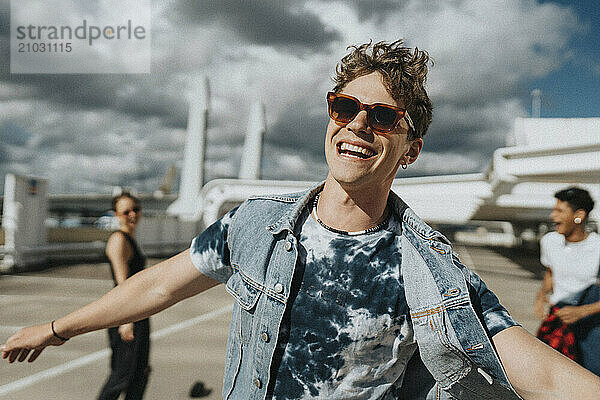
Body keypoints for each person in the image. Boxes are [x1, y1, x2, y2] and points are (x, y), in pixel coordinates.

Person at [3, 40, 600, 399]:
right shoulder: (255, 227)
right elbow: (160, 282)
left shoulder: (430, 271)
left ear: (411, 148)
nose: (359, 125)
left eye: (384, 117)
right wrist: (57, 329)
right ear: (329, 117)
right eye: (346, 107)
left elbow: (544, 378)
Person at [534, 187, 600, 375]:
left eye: (560, 211)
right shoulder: (549, 241)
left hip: (590, 323)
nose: (553, 216)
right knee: (547, 373)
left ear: (579, 215)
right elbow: (551, 273)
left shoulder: (597, 248)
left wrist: (581, 311)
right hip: (558, 318)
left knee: (590, 376)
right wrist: (540, 296)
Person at [97, 192, 151, 399]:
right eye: (125, 211)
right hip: (127, 314)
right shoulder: (118, 240)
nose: (132, 215)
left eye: (135, 209)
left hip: (138, 313)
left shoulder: (130, 239)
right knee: (122, 375)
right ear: (116, 214)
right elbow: (123, 285)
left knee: (139, 372)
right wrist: (126, 321)